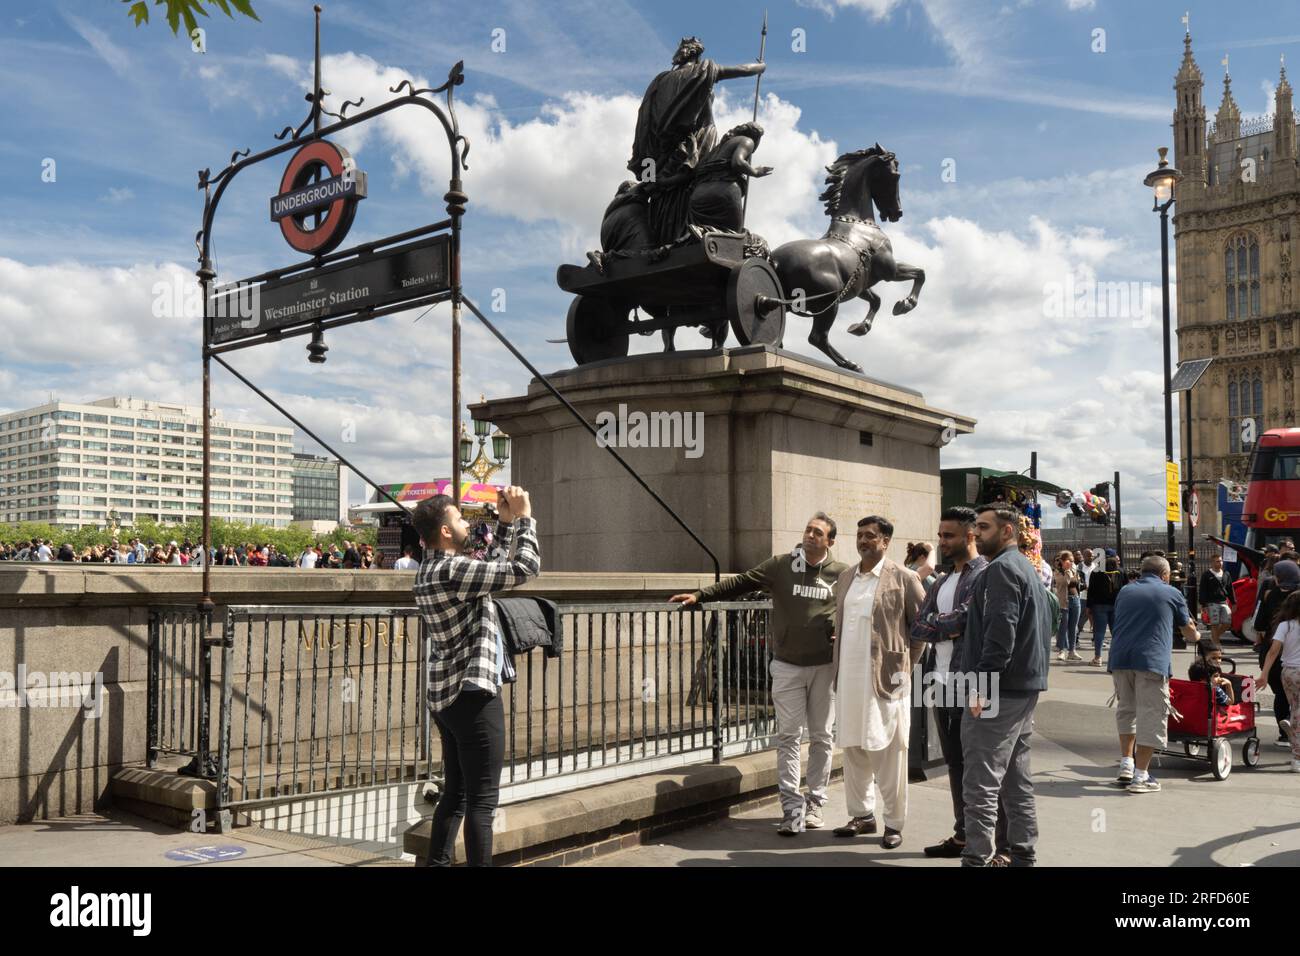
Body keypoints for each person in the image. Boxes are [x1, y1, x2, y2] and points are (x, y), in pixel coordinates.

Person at [670, 513, 847, 836]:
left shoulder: (842, 574)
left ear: (830, 541)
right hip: (787, 666)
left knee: (822, 737)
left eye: (818, 532)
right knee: (789, 737)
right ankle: (792, 809)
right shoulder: (780, 565)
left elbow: (856, 610)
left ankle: (815, 803)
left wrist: (841, 632)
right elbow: (741, 582)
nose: (809, 535)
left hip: (825, 667)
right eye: (807, 529)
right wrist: (700, 596)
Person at [412, 486, 539, 867]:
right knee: (483, 802)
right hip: (475, 694)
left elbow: (491, 567)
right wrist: (525, 518)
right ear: (446, 532)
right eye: (460, 518)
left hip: (446, 698)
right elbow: (524, 570)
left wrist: (503, 524)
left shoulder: (429, 571)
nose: (467, 522)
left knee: (457, 794)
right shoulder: (454, 569)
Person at [958, 504, 1052, 867]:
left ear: (1007, 531)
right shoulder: (1022, 567)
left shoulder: (1001, 570)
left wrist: (981, 686)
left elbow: (1001, 632)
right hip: (1021, 687)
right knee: (1015, 779)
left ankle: (977, 857)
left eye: (982, 527)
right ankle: (1023, 853)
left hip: (1000, 690)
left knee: (980, 781)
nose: (975, 534)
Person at [829, 516, 925, 849]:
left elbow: (922, 630)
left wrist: (905, 666)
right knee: (854, 748)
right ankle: (862, 815)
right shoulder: (845, 578)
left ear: (885, 541)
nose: (863, 541)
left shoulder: (904, 578)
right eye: (859, 535)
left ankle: (894, 823)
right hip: (850, 680)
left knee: (890, 752)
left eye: (870, 536)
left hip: (887, 681)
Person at [908, 507, 994, 859]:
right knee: (955, 763)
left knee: (981, 767)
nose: (942, 542)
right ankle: (963, 836)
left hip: (972, 680)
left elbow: (970, 621)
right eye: (941, 535)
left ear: (970, 535)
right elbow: (918, 625)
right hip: (940, 681)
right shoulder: (943, 580)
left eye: (949, 536)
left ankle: (987, 843)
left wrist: (941, 622)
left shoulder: (985, 575)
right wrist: (947, 624)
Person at [628, 36, 766, 244]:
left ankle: (666, 239)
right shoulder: (703, 71)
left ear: (691, 52)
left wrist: (647, 162)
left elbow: (645, 122)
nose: (679, 51)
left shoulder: (659, 82)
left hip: (662, 150)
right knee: (689, 183)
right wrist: (760, 66)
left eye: (683, 48)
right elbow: (742, 70)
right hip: (696, 139)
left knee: (666, 190)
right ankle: (681, 237)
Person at [1108, 555, 1199, 793]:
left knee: (1127, 710)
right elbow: (1188, 630)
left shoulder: (1126, 591)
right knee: (1151, 714)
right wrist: (1198, 637)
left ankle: (1126, 765)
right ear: (1165, 575)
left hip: (1120, 659)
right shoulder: (1171, 593)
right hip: (1150, 660)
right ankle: (1141, 776)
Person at [1253, 558, 1298, 749]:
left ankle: (1284, 734)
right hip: (1295, 654)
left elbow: (1258, 625)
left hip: (1273, 653)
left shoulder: (1270, 595)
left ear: (1279, 578)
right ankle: (1293, 725)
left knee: (1280, 694)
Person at [1258, 590, 1300, 771]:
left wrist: (1264, 674)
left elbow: (1273, 651)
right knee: (1298, 709)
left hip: (1288, 672)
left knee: (1295, 705)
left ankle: (1292, 725)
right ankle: (1297, 757)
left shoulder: (1285, 626)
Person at [1085, 556, 1123, 666]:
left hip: (1099, 605)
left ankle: (1098, 657)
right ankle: (1117, 657)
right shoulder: (1120, 573)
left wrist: (1088, 606)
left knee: (1099, 632)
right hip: (1116, 605)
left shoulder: (1096, 573)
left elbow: (1091, 591)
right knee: (1116, 632)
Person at [1052, 550, 1082, 662]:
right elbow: (1064, 582)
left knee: (1073, 627)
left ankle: (1072, 651)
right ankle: (1062, 650)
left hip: (1075, 600)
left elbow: (1076, 582)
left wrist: (1071, 571)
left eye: (1072, 561)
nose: (1071, 563)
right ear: (1063, 561)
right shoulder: (1057, 572)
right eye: (1069, 560)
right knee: (1063, 627)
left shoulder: (1075, 570)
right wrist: (1067, 571)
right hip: (1063, 601)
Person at [1199, 553, 1234, 647]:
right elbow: (1203, 590)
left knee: (1227, 622)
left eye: (1221, 561)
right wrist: (1203, 604)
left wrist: (1234, 602)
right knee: (1215, 624)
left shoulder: (1226, 574)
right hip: (1211, 602)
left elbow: (1230, 588)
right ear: (1212, 563)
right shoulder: (1206, 575)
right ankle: (1216, 644)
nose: (1220, 563)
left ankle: (1214, 637)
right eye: (1217, 561)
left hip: (1223, 601)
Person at [1188, 638, 1235, 706]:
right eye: (1213, 658)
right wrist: (1229, 684)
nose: (1218, 661)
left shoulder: (1194, 671)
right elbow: (1230, 702)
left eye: (1219, 658)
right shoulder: (1215, 689)